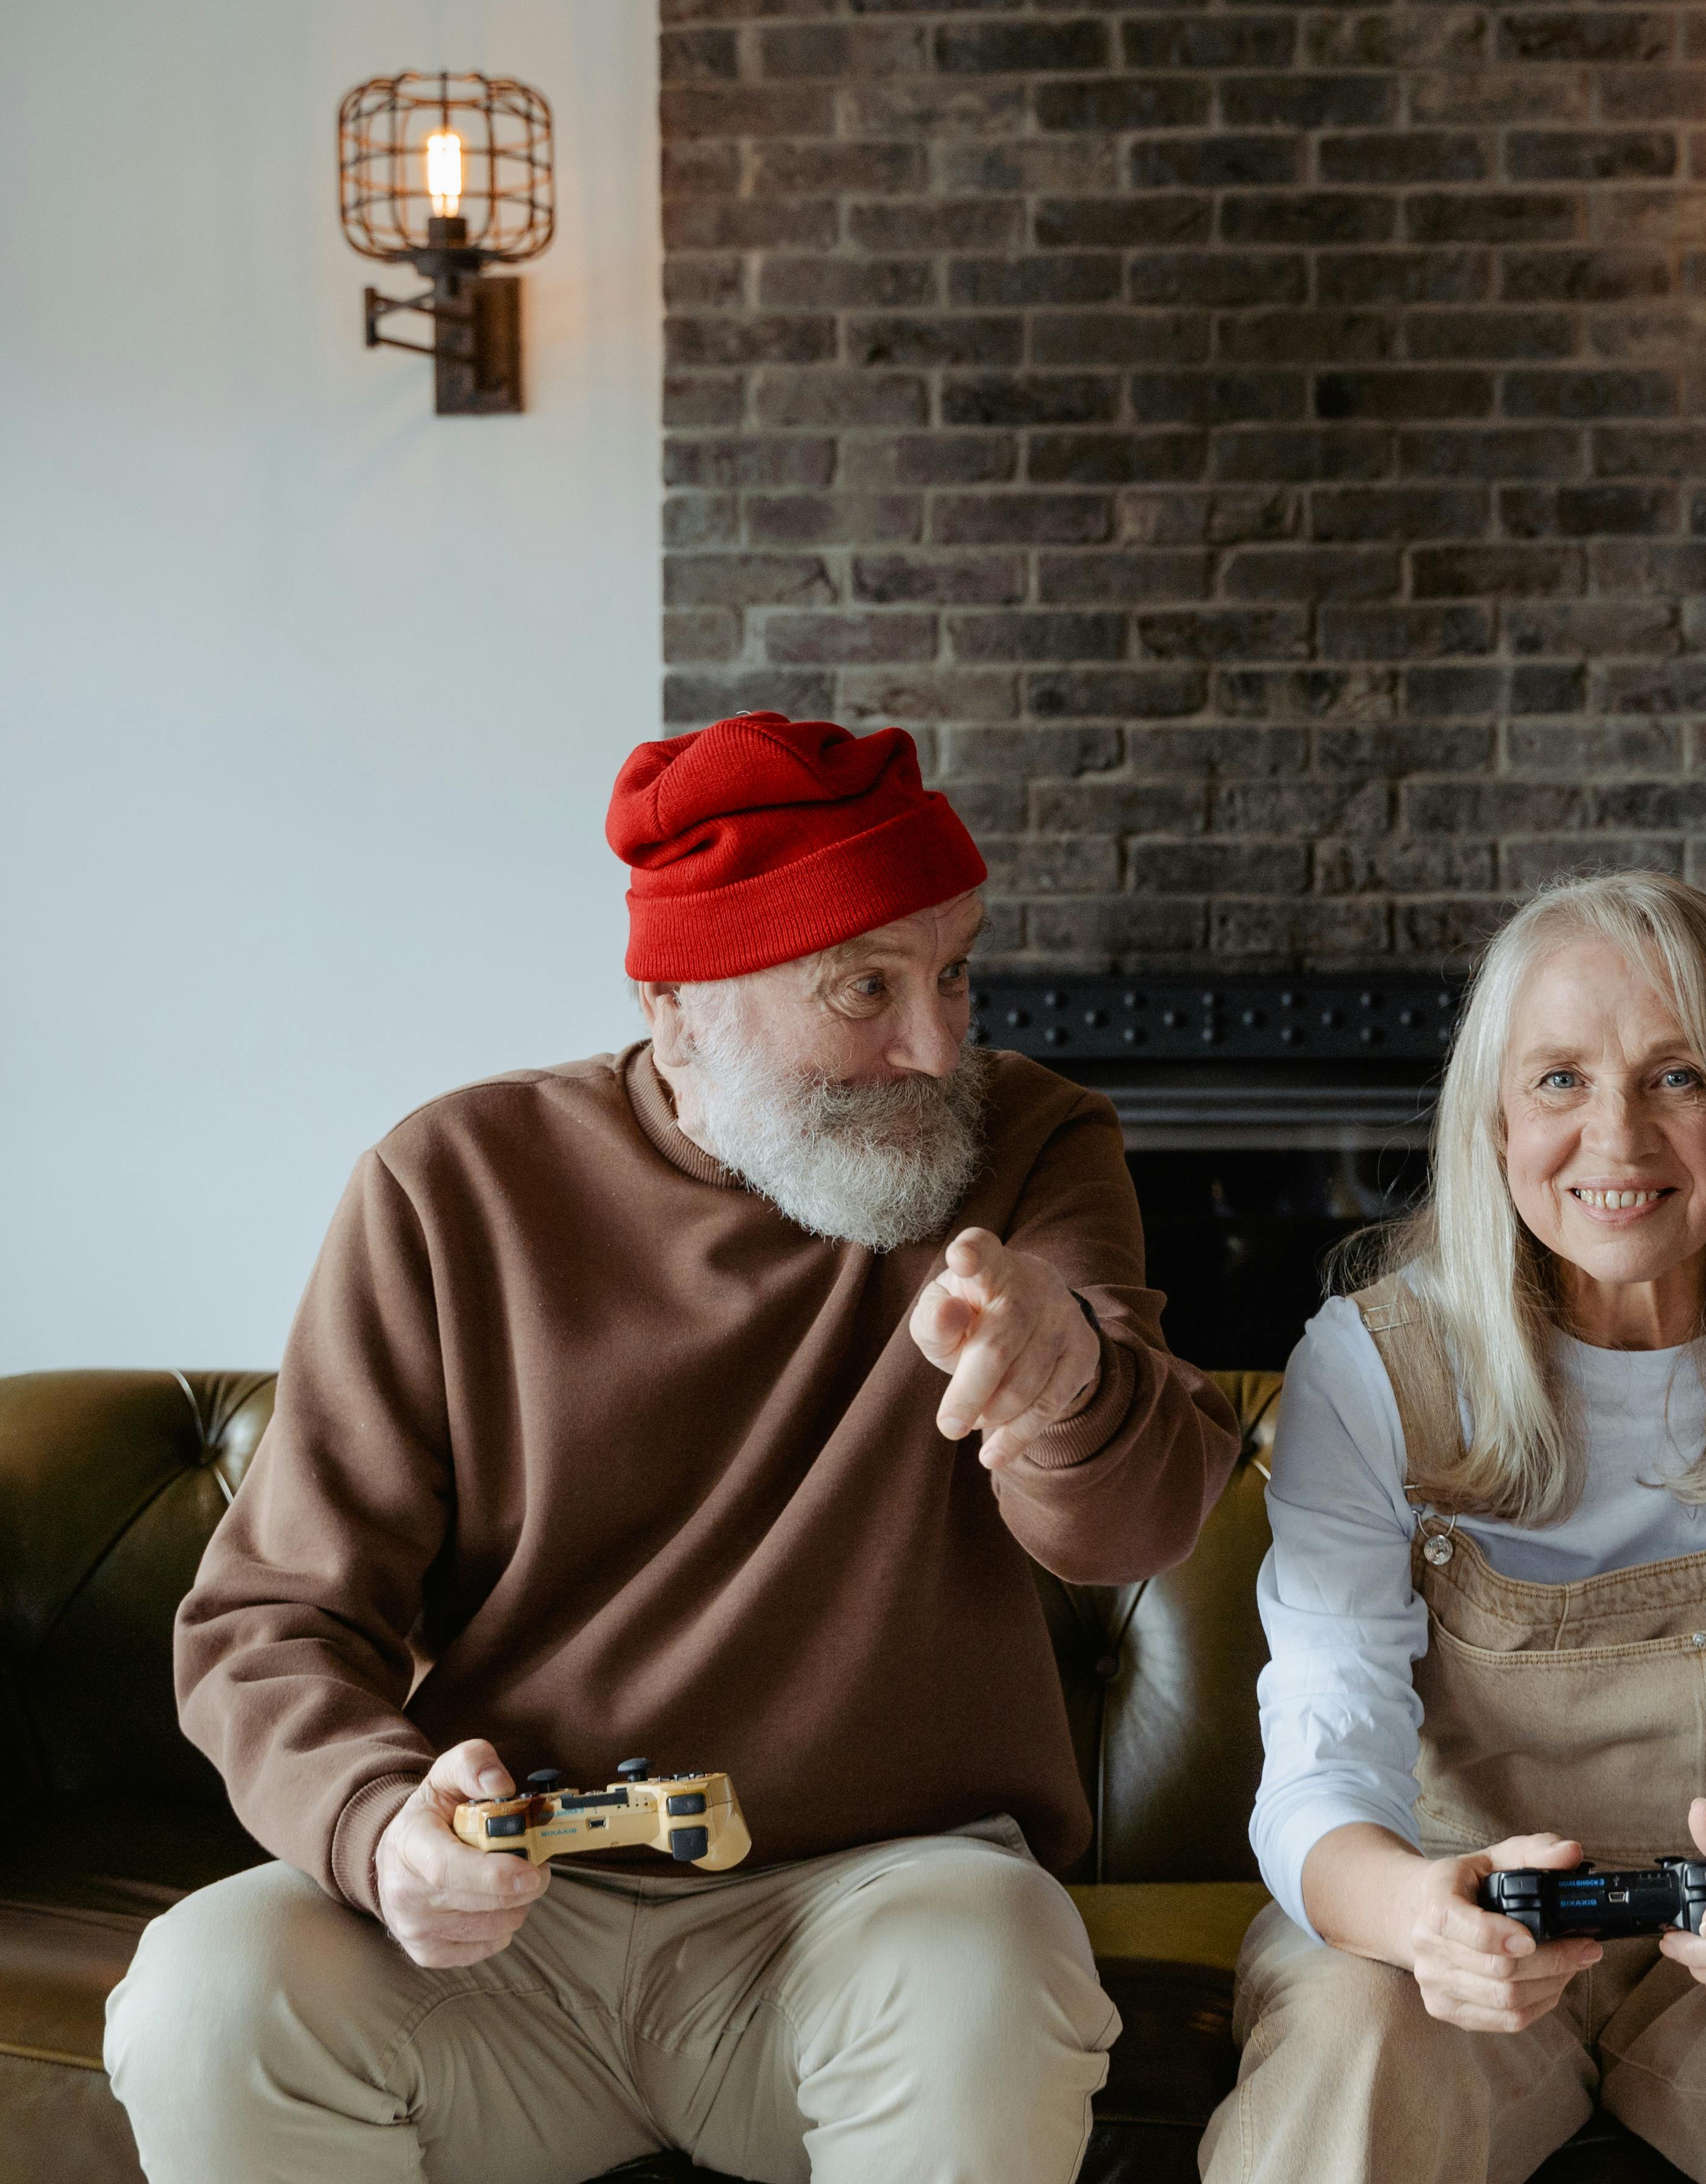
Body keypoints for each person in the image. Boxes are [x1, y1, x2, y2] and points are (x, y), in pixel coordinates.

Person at [104, 712, 1241, 2184]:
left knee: (987, 1973)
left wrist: (1065, 1373)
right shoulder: (454, 1182)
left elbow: (1130, 1524)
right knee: (207, 1990)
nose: (937, 1040)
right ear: (677, 1002)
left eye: (951, 969)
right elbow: (271, 1617)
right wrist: (383, 1826)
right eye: (862, 987)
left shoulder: (1022, 1143)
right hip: (524, 1905)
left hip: (874, 1904)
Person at [1203, 871, 1706, 2184]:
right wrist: (1419, 1916)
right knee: (1353, 2029)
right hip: (1448, 1938)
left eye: (1677, 1075)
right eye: (1557, 1080)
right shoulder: (1365, 1371)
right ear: (1488, 1122)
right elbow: (1317, 1776)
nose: (1617, 1136)